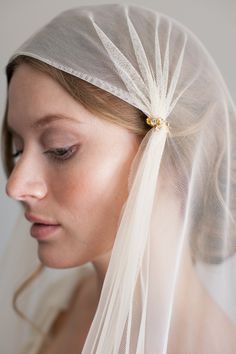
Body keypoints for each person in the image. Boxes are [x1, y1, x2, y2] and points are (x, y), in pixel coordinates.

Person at [1, 3, 236, 354]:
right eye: (18, 150)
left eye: (60, 149)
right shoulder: (64, 304)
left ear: (165, 155)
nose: (15, 186)